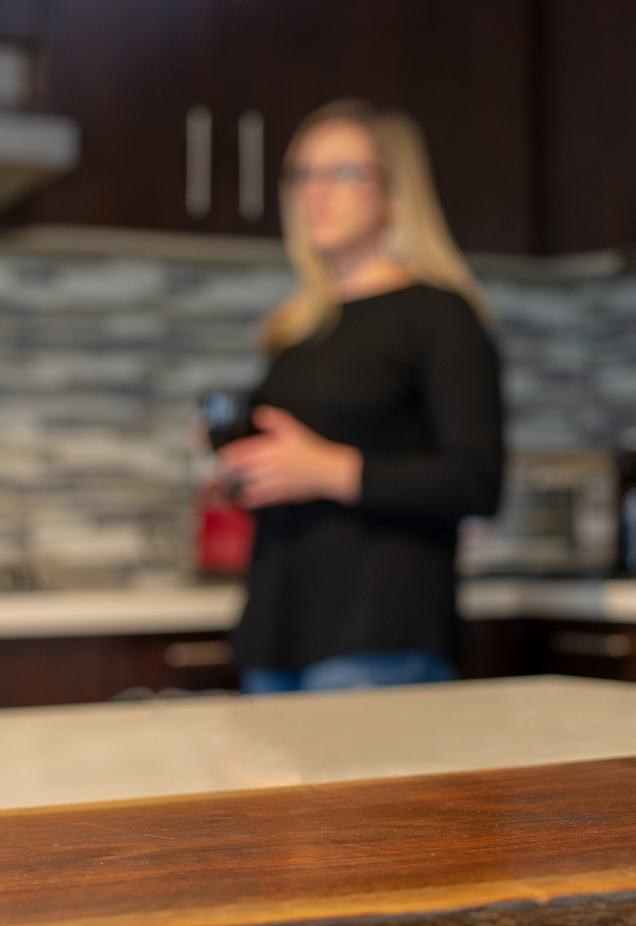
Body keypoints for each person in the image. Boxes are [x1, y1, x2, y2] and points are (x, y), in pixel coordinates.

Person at [216, 100, 505, 693]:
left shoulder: (439, 315)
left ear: (395, 193)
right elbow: (291, 463)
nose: (316, 192)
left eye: (343, 173)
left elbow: (477, 481)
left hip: (380, 635)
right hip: (277, 629)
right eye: (303, 174)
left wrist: (328, 470)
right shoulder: (297, 328)